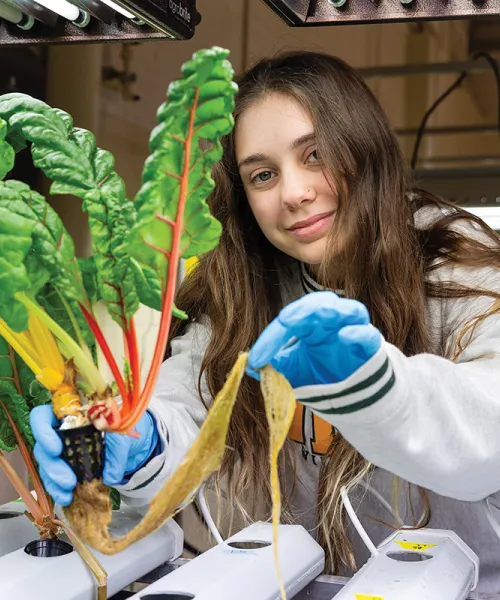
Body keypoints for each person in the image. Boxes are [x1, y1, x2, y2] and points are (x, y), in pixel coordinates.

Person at [31, 51, 500, 593]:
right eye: (263, 174)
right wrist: (143, 441)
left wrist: (376, 386)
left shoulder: (464, 267)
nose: (294, 193)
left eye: (316, 153)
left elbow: (487, 438)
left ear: (364, 146)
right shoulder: (246, 284)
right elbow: (187, 407)